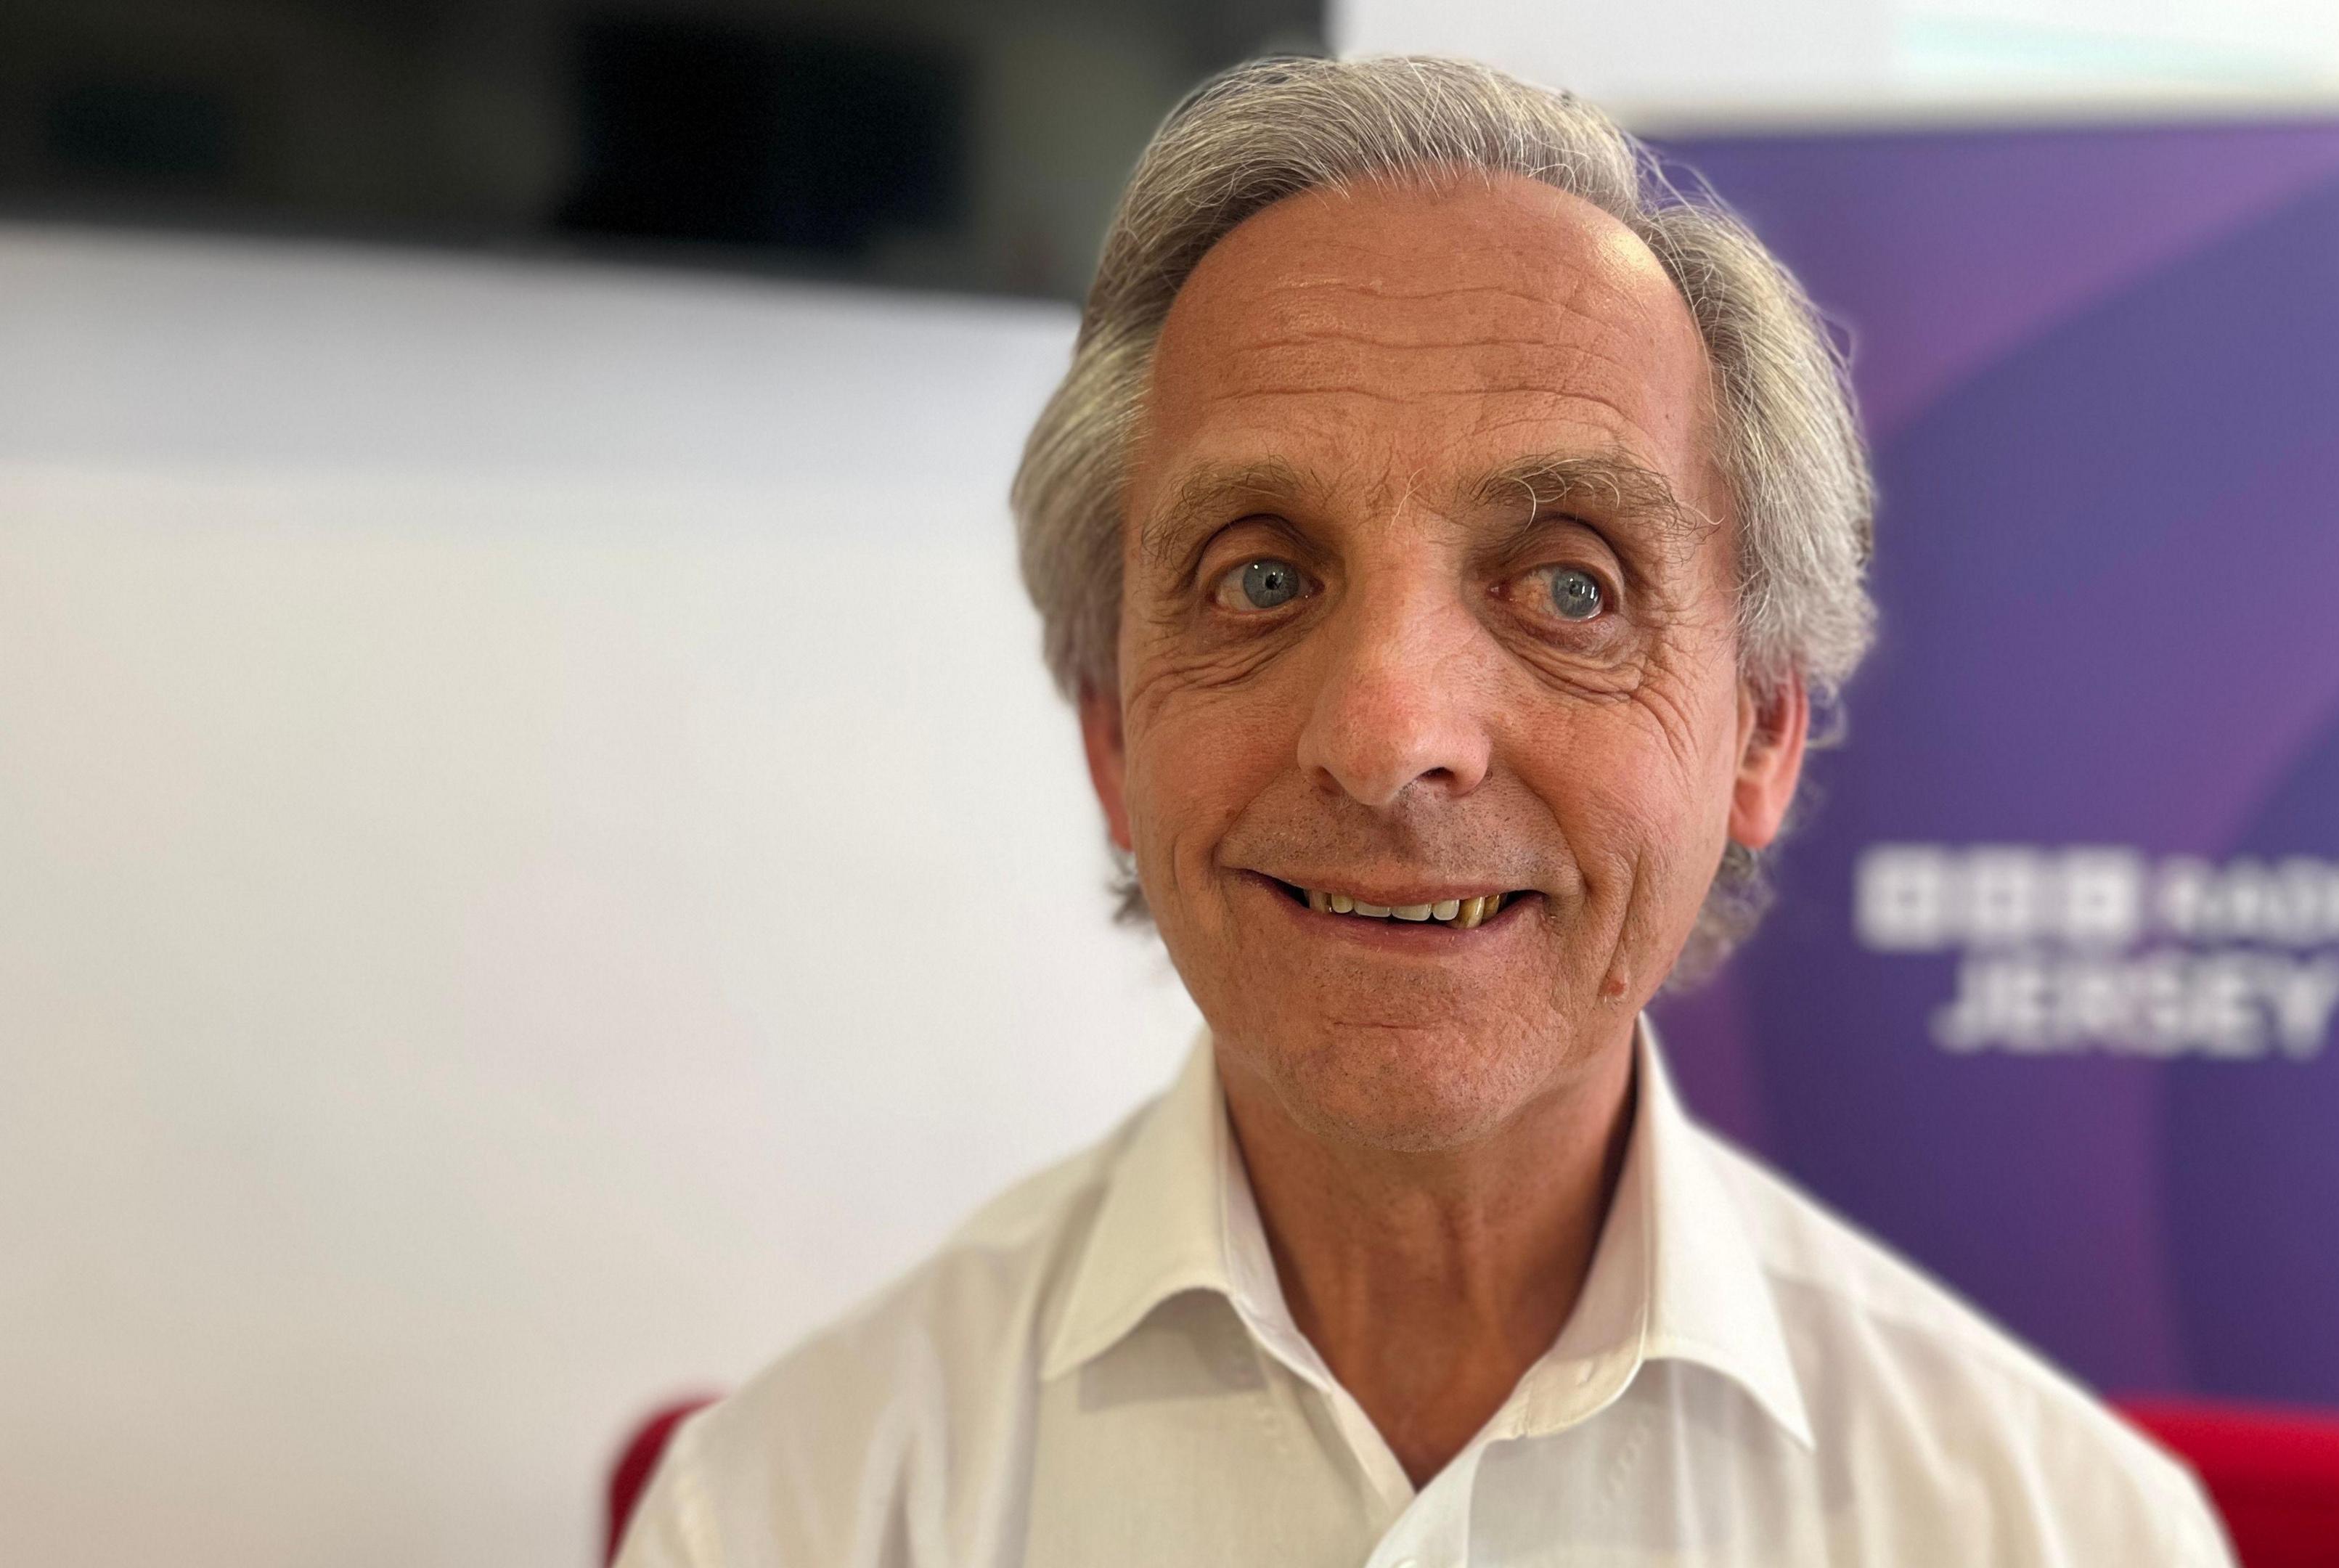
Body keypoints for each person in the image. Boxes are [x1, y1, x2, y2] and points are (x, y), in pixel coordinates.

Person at [617, 54, 2233, 1567]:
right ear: (1112, 731)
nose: (1391, 735)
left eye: (1569, 588)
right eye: (1258, 576)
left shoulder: (2057, 1531)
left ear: (1759, 731)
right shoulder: (796, 1512)